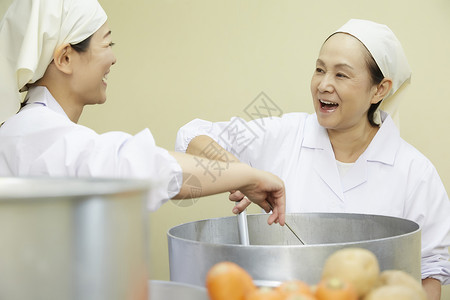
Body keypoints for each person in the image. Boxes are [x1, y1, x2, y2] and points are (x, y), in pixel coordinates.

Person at [175, 19, 450, 299]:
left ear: (379, 90)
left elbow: (429, 272)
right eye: (319, 70)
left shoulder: (416, 172)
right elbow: (193, 136)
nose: (323, 85)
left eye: (341, 75)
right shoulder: (284, 135)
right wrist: (238, 173)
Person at [0, 0, 285, 226]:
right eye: (107, 43)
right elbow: (141, 166)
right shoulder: (32, 133)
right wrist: (247, 175)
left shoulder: (35, 130)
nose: (113, 57)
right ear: (65, 58)